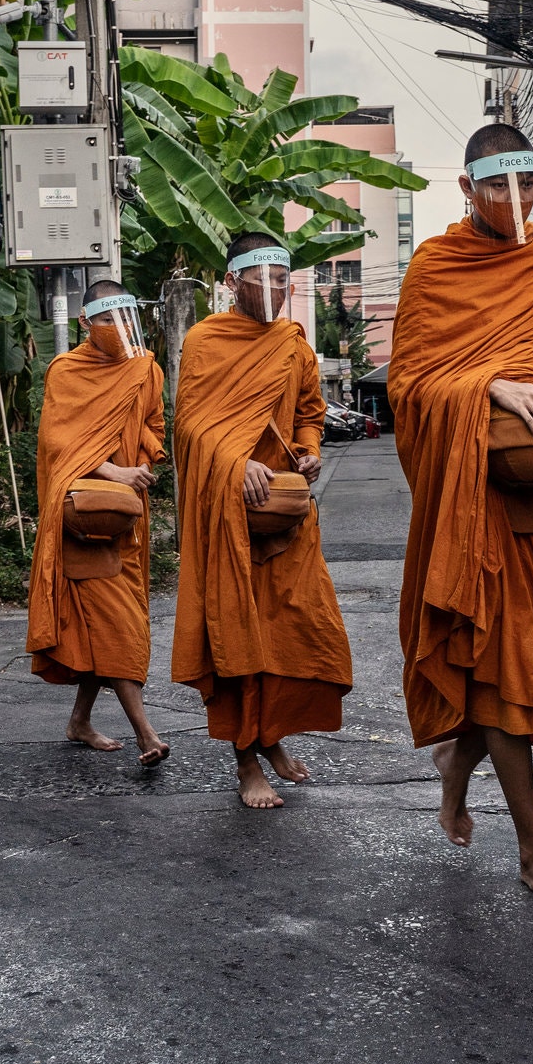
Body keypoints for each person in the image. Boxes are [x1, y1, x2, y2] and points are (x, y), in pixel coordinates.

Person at [388, 123, 533, 907]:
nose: (515, 203)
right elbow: (410, 382)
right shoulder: (435, 263)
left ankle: (457, 763)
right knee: (509, 667)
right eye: (497, 188)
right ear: (467, 189)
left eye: (529, 187)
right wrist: (488, 386)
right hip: (475, 491)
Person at [170, 233, 353, 809]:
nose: (275, 289)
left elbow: (309, 411)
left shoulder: (293, 344)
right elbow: (191, 425)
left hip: (285, 512)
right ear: (232, 282)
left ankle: (272, 737)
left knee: (295, 629)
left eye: (283, 278)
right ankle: (247, 763)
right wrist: (233, 460)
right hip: (229, 512)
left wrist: (308, 448)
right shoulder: (205, 340)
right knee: (237, 634)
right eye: (263, 278)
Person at [27, 280, 171, 765]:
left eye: (125, 319)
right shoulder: (66, 370)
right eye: (107, 319)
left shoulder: (145, 368)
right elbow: (58, 444)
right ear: (86, 322)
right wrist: (113, 470)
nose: (118, 329)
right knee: (118, 622)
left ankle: (80, 720)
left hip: (127, 515)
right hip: (84, 515)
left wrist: (151, 450)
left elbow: (154, 422)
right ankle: (145, 733)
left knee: (102, 624)